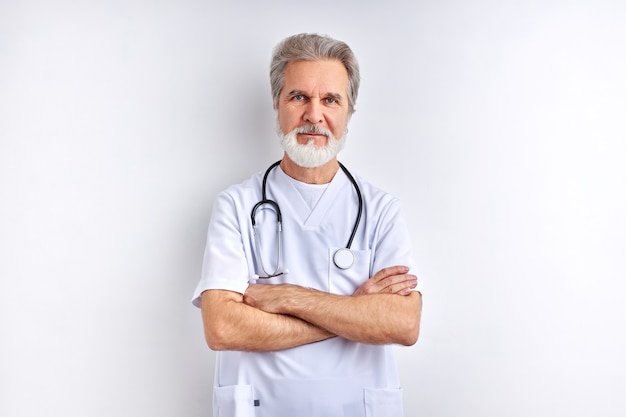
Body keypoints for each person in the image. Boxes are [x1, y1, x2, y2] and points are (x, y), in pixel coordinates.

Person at [192, 33, 422, 417]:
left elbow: (403, 324)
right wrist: (355, 313)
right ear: (276, 104)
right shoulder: (236, 205)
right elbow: (223, 328)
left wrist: (289, 298)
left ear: (348, 111)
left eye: (330, 100)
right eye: (299, 97)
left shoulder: (381, 210)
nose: (314, 115)